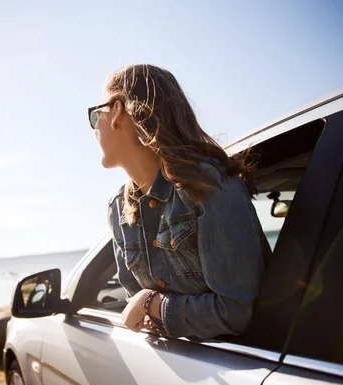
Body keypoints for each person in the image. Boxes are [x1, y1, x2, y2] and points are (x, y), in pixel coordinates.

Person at [89, 64, 270, 340]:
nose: (93, 129)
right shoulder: (118, 210)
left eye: (94, 116)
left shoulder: (207, 184)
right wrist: (149, 308)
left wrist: (154, 303)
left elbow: (237, 312)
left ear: (116, 111)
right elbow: (134, 305)